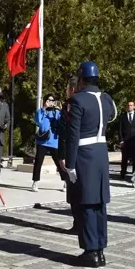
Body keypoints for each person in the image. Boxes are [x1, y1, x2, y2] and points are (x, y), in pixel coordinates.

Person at [65, 61, 117, 268]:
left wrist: (70, 164)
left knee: (86, 203)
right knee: (99, 204)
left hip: (84, 154)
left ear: (82, 79)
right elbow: (111, 116)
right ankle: (100, 249)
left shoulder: (78, 100)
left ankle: (90, 252)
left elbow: (73, 135)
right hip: (101, 153)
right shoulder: (106, 99)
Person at [58, 76, 79, 233]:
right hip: (80, 154)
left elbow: (65, 134)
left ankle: (78, 222)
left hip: (73, 154)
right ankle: (78, 221)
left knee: (74, 190)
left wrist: (62, 155)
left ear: (72, 89)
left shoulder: (72, 106)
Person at [31, 94, 62, 192]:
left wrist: (59, 110)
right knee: (38, 162)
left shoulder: (56, 112)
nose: (51, 102)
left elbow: (60, 122)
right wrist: (44, 108)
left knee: (59, 162)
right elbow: (37, 121)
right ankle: (35, 182)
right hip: (42, 141)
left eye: (52, 100)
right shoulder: (41, 111)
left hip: (54, 141)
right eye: (49, 100)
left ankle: (65, 181)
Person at [118, 101, 135, 179]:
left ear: (134, 107)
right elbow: (119, 129)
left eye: (131, 105)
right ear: (127, 106)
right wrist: (121, 140)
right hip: (125, 141)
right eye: (128, 105)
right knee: (124, 158)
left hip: (134, 140)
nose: (130, 107)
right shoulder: (122, 116)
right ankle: (123, 173)